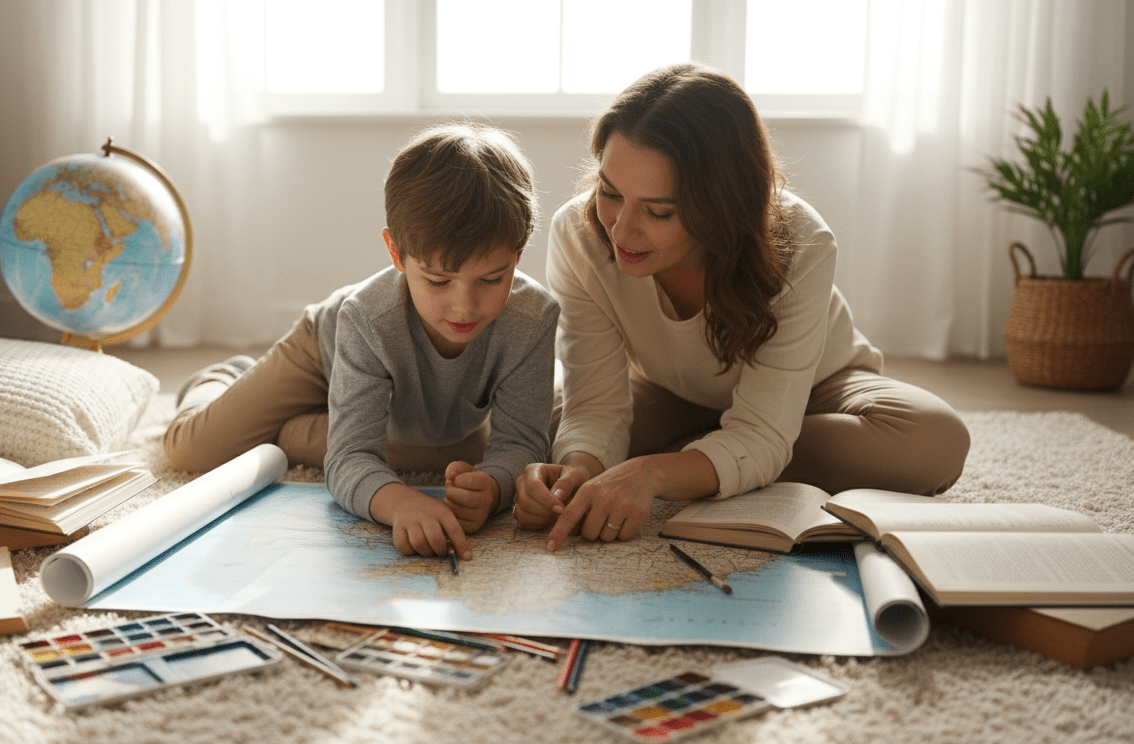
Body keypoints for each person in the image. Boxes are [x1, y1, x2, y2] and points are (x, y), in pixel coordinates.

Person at [514, 63, 971, 552]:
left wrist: (653, 472)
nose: (621, 230)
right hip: (668, 389)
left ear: (720, 203)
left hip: (815, 386)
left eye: (659, 211)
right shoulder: (579, 235)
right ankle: (715, 458)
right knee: (532, 430)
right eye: (609, 192)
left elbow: (764, 428)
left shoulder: (801, 240)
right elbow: (596, 403)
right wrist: (576, 474)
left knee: (935, 441)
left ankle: (701, 459)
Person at [164, 122, 559, 561]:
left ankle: (293, 427)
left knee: (465, 454)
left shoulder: (534, 318)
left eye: (492, 278)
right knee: (191, 451)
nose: (464, 307)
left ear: (518, 255)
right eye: (438, 280)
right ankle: (228, 376)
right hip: (324, 353)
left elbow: (521, 444)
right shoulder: (365, 316)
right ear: (395, 253)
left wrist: (494, 487)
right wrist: (400, 501)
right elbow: (350, 458)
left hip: (424, 411)